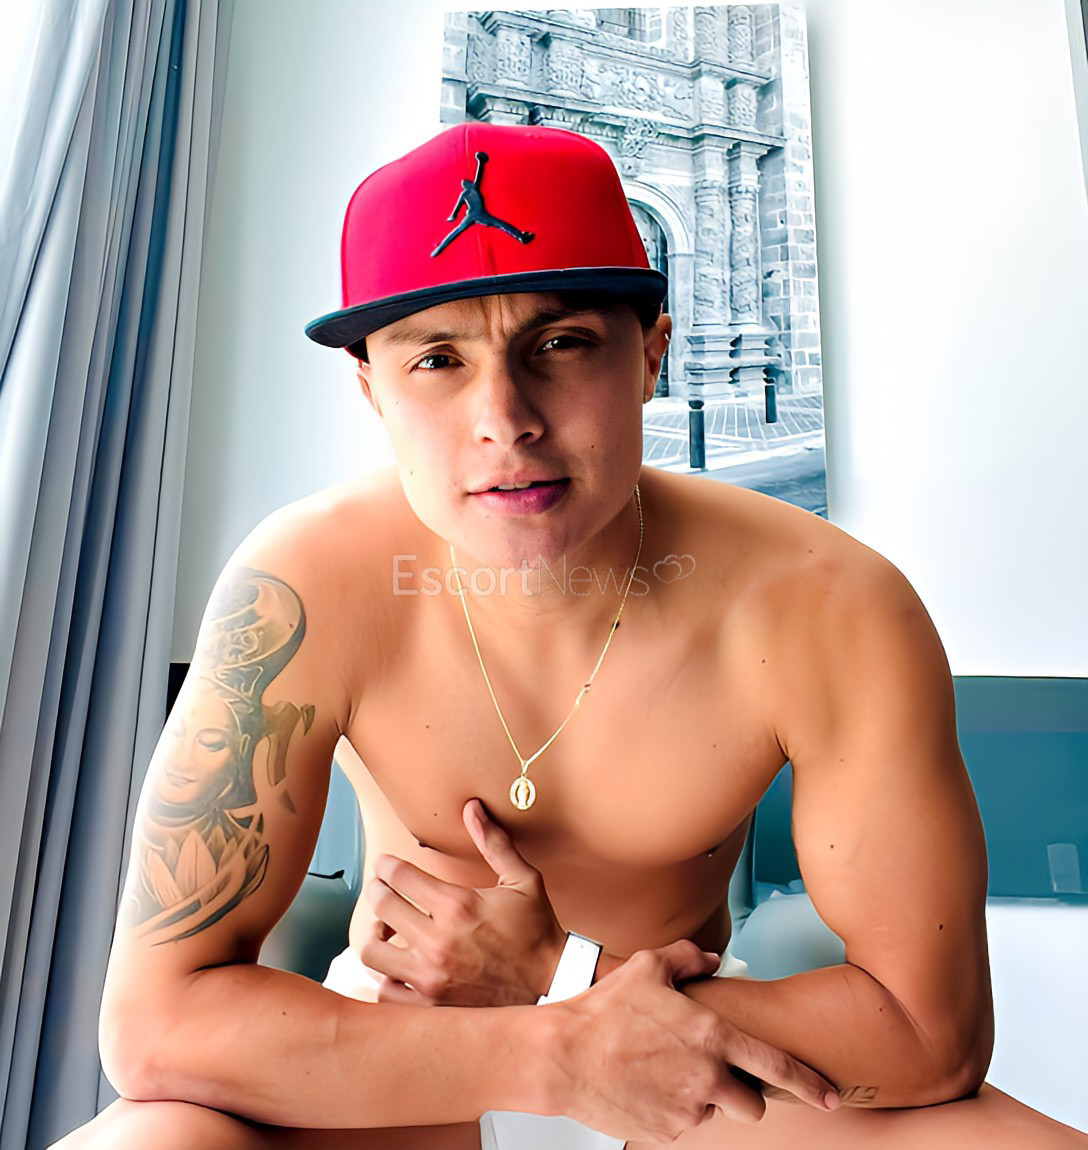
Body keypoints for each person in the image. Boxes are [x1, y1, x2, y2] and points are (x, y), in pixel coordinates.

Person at [54, 123, 1085, 1149]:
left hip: (691, 1061)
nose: (504, 419)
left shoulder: (830, 601)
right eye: (437, 359)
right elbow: (152, 1027)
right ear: (372, 391)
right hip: (399, 1054)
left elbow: (932, 1035)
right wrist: (551, 1050)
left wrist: (562, 975)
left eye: (559, 345)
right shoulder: (303, 583)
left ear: (650, 355)